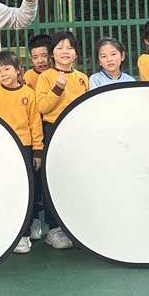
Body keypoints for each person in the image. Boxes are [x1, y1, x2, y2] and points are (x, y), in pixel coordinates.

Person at [0, 50, 43, 253]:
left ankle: (24, 235)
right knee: (6, 191)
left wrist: (38, 150)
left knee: (25, 191)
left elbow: (35, 123)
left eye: (7, 69)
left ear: (18, 70)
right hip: (2, 149)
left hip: (25, 147)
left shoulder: (28, 93)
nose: (3, 74)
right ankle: (8, 233)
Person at [35, 30, 89, 249]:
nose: (65, 51)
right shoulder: (45, 77)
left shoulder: (82, 78)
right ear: (52, 54)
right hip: (53, 130)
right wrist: (58, 88)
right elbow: (42, 107)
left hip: (77, 133)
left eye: (70, 47)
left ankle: (75, 225)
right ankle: (54, 228)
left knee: (75, 178)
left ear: (76, 53)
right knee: (54, 178)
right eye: (60, 48)